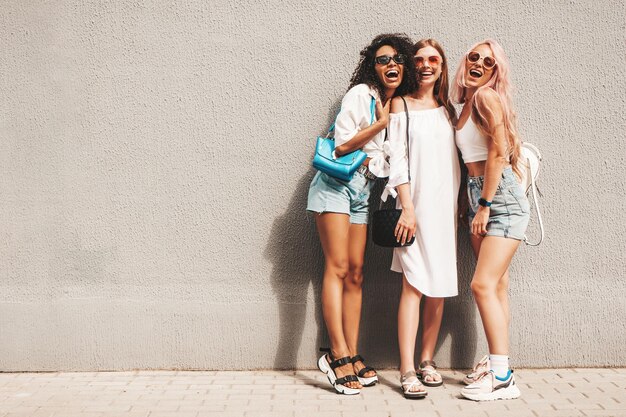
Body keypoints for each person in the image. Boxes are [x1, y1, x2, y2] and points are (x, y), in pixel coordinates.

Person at [307, 34, 417, 395]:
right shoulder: (361, 95)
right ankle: (335, 353)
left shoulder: (396, 105)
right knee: (337, 268)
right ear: (373, 65)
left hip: (362, 192)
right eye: (383, 59)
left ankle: (352, 351)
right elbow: (340, 146)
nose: (391, 64)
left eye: (398, 58)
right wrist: (377, 126)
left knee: (356, 273)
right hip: (335, 187)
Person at [451, 39, 530, 401]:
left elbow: (498, 152)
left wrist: (483, 204)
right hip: (477, 194)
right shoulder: (465, 104)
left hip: (500, 200)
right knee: (496, 288)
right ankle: (496, 362)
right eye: (474, 57)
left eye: (489, 62)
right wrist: (468, 201)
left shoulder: (486, 98)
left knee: (481, 285)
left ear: (496, 71)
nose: (480, 64)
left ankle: (502, 376)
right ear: (464, 61)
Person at [385, 39, 460, 399]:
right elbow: (396, 160)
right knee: (413, 285)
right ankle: (406, 369)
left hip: (445, 210)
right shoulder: (401, 104)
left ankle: (428, 360)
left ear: (443, 67)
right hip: (413, 210)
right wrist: (407, 208)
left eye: (434, 59)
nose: (427, 65)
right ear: (411, 66)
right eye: (420, 59)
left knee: (439, 286)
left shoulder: (449, 109)